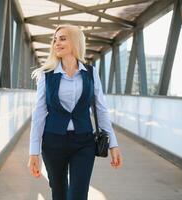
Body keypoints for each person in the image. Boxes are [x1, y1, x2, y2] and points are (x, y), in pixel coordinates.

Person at [27, 24, 122, 200]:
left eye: (63, 38)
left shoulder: (91, 73)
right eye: (55, 39)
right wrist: (34, 152)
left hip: (84, 142)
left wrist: (113, 145)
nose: (57, 43)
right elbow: (39, 114)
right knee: (59, 193)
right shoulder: (46, 75)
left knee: (78, 195)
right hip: (53, 142)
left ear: (76, 42)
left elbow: (101, 110)